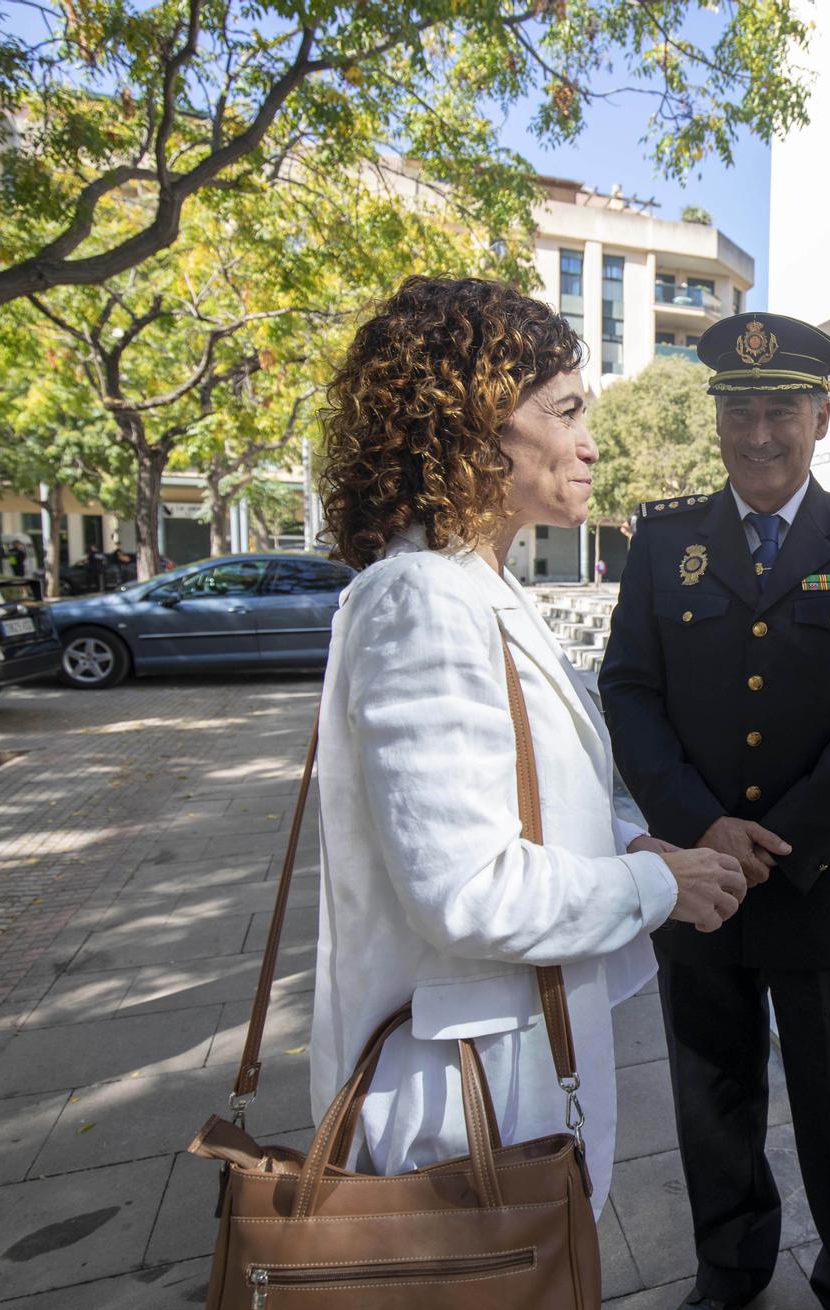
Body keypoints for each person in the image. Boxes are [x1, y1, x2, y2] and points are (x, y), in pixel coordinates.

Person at [306, 276, 747, 1227]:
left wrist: (632, 843)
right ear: (475, 425)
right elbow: (466, 887)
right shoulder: (423, 597)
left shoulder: (477, 587)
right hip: (467, 1116)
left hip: (513, 1086)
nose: (592, 441)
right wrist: (659, 891)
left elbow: (529, 799)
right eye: (567, 409)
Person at [600, 312, 830, 1310]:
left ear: (820, 415)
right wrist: (701, 828)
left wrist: (775, 838)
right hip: (697, 885)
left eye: (778, 409)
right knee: (711, 1094)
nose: (757, 433)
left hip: (823, 879)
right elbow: (628, 689)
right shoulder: (663, 542)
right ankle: (729, 1269)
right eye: (738, 410)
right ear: (715, 419)